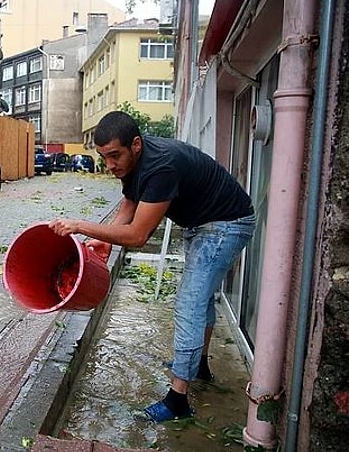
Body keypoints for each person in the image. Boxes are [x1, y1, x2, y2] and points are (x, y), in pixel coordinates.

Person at [49, 111, 255, 423]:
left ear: (135, 145)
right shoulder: (133, 163)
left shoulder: (162, 166)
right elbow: (129, 205)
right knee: (201, 298)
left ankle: (178, 401)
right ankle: (198, 365)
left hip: (227, 223)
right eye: (104, 158)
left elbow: (138, 235)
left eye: (115, 156)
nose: (110, 165)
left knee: (189, 303)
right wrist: (106, 241)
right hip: (202, 222)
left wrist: (82, 226)